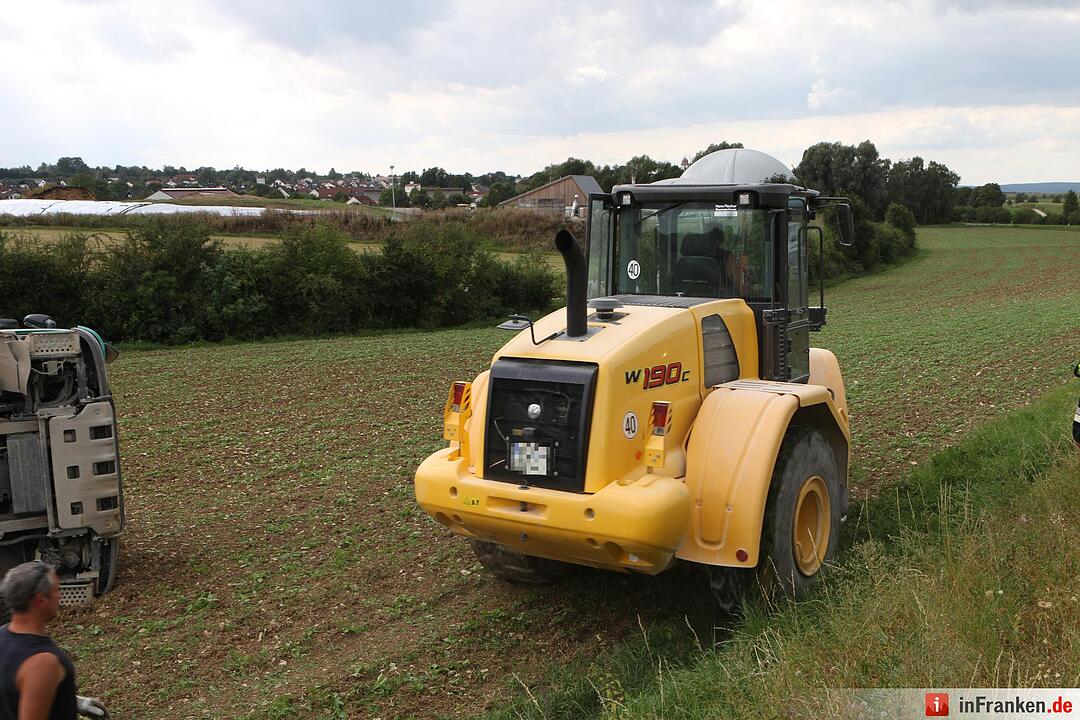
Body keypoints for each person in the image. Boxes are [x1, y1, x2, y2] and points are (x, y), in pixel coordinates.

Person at [0, 562, 108, 719]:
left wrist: (67, 700)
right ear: (41, 600)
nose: (60, 595)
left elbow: (11, 688)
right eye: (56, 590)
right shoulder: (42, 662)